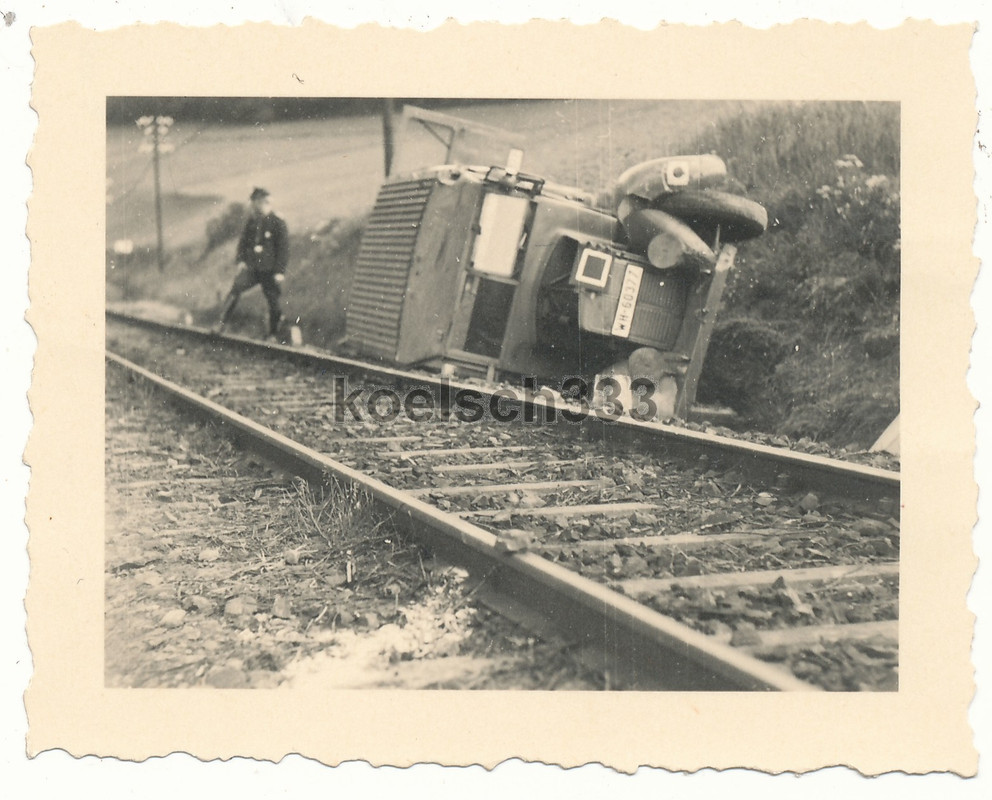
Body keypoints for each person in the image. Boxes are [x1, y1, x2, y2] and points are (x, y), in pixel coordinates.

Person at [213, 187, 289, 339]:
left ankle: (273, 335)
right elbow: (243, 244)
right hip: (252, 268)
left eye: (261, 202)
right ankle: (221, 324)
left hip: (269, 270)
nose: (256, 206)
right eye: (256, 203)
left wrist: (280, 271)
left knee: (273, 301)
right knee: (235, 290)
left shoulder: (278, 223)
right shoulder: (252, 222)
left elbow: (283, 249)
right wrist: (241, 261)